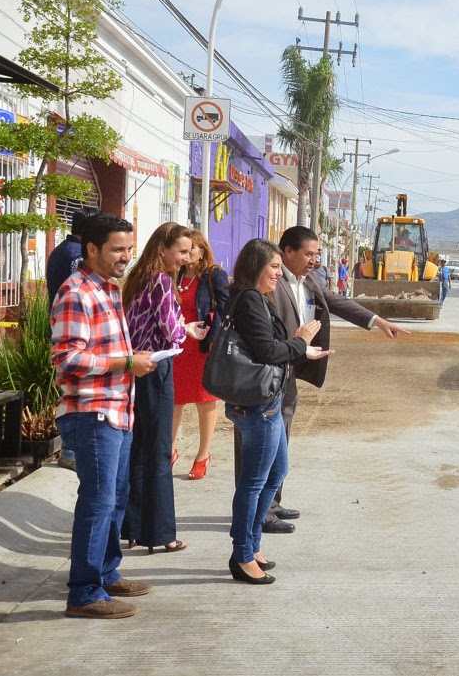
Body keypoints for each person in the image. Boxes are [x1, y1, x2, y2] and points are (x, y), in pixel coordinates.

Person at [254, 226, 407, 535]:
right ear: (288, 252)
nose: (314, 260)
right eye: (308, 254)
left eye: (316, 254)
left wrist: (377, 321)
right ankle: (259, 512)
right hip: (268, 369)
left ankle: (272, 501)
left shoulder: (308, 280)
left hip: (292, 369)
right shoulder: (267, 279)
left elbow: (336, 303)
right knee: (262, 443)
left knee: (282, 436)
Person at [51, 213, 157, 618]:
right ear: (91, 249)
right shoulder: (76, 291)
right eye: (117, 249)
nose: (125, 257)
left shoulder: (109, 288)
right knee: (97, 503)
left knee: (114, 498)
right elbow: (69, 358)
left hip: (116, 410)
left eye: (129, 249)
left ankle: (107, 574)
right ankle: (84, 592)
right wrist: (127, 362)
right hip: (91, 412)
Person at [224, 238, 329, 584]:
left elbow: (271, 347)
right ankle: (242, 554)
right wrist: (300, 341)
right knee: (254, 481)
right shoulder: (249, 300)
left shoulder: (259, 298)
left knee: (276, 470)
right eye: (272, 268)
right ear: (256, 267)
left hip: (268, 402)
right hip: (257, 405)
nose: (277, 274)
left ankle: (252, 544)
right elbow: (268, 350)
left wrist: (301, 350)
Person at [120, 223, 206, 555]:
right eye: (182, 252)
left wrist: (180, 328)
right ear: (162, 250)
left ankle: (133, 527)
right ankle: (160, 533)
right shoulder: (160, 281)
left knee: (139, 449)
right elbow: (170, 333)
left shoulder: (136, 278)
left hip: (138, 370)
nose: (186, 259)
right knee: (158, 452)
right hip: (157, 367)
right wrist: (185, 330)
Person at [171, 230, 229, 480]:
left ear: (202, 251)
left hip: (203, 347)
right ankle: (169, 450)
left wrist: (215, 339)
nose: (186, 254)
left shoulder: (214, 275)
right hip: (178, 345)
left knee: (204, 401)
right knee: (174, 399)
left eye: (191, 249)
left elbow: (226, 309)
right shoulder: (175, 274)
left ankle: (203, 455)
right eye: (182, 250)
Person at [47, 208, 99, 471]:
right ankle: (70, 450)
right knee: (74, 392)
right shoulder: (77, 257)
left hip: (61, 329)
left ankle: (70, 448)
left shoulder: (61, 249)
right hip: (73, 332)